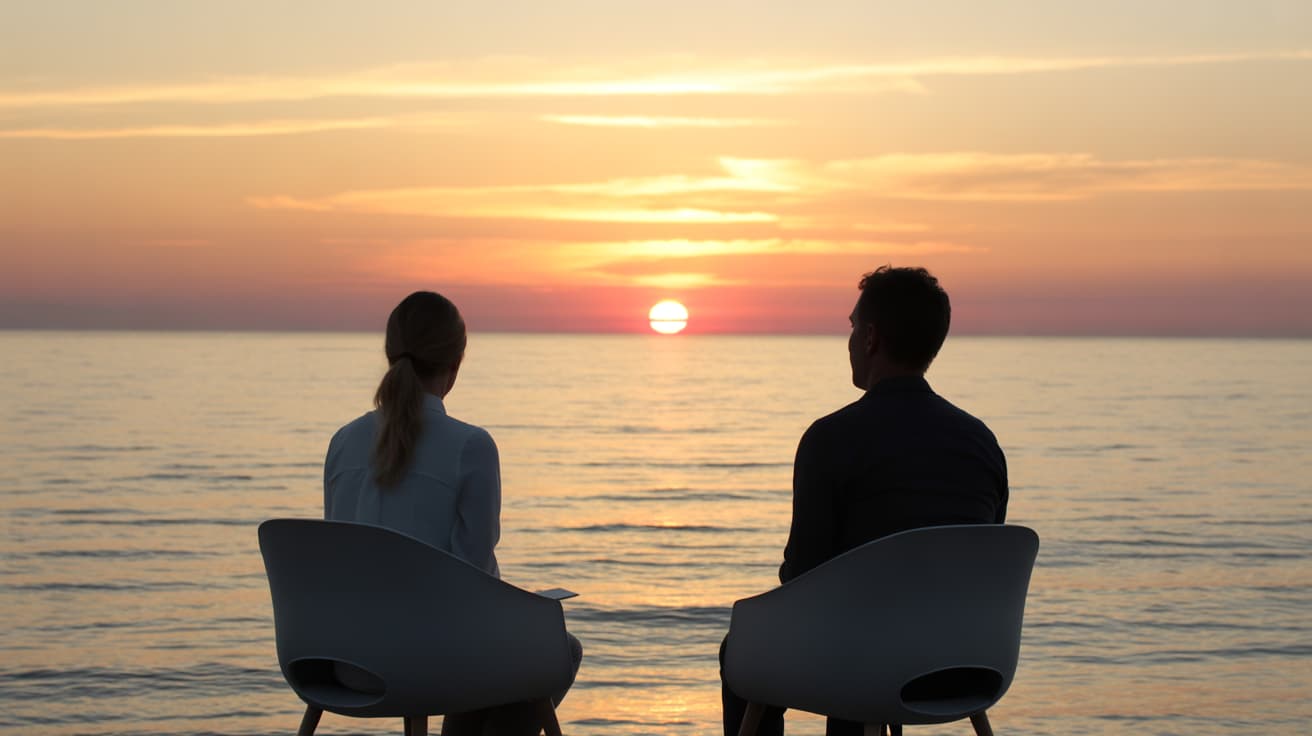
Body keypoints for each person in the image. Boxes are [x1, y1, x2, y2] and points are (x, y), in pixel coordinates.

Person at [721, 266, 1009, 736]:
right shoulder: (982, 444)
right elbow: (984, 559)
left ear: (872, 337)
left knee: (748, 647)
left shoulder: (831, 439)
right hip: (965, 666)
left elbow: (802, 576)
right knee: (855, 624)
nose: (850, 341)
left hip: (861, 671)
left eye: (853, 328)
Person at [324, 290, 582, 736]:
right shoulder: (470, 446)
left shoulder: (343, 443)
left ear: (390, 353)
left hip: (342, 663)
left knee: (493, 651)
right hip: (429, 667)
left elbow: (341, 556)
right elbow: (476, 583)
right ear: (456, 360)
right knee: (559, 649)